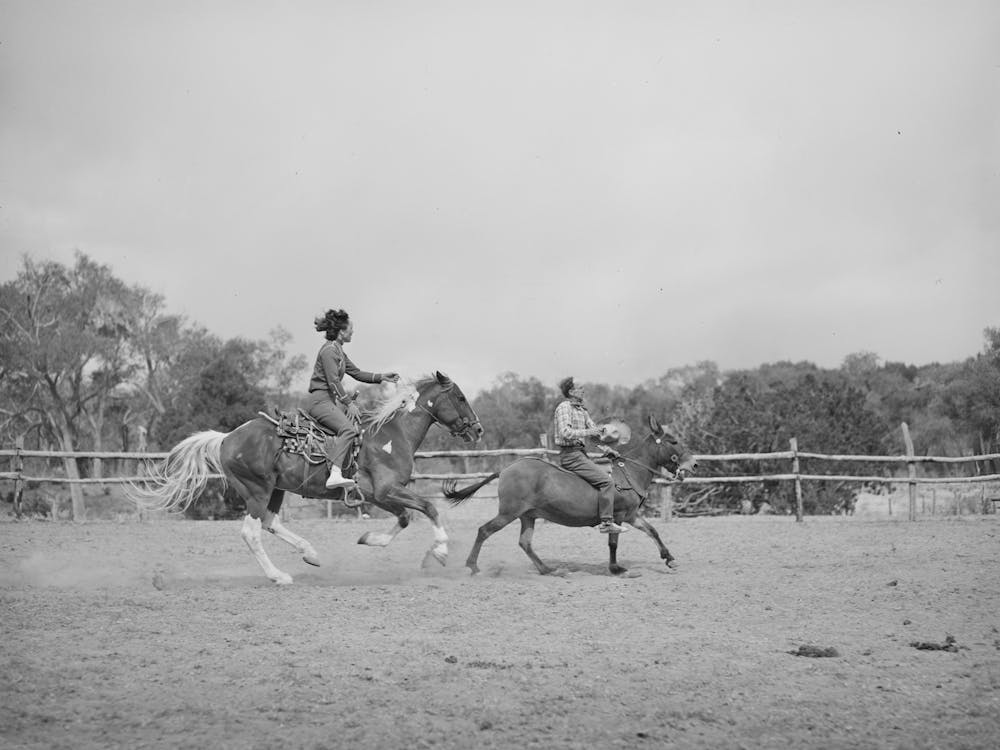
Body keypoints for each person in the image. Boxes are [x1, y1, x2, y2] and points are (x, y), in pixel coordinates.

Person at [303, 309, 399, 489]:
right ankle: (335, 474)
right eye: (350, 329)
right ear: (341, 332)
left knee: (354, 428)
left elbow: (357, 373)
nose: (353, 332)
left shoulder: (338, 351)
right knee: (348, 429)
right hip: (319, 402)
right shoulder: (329, 352)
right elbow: (333, 382)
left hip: (328, 402)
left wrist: (382, 377)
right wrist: (349, 404)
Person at [552, 376, 627, 534]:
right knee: (607, 482)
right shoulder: (564, 407)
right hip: (570, 455)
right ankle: (606, 522)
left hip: (580, 453)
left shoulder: (582, 410)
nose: (583, 390)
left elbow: (595, 435)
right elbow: (565, 433)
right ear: (571, 391)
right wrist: (590, 432)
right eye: (580, 388)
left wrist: (607, 449)